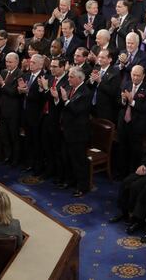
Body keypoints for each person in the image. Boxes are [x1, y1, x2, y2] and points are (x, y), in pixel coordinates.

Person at [58, 67, 92, 197]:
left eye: (71, 77)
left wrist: (66, 100)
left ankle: (83, 187)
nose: (68, 79)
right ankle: (71, 181)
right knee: (68, 158)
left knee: (79, 161)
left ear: (79, 78)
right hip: (67, 130)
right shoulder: (71, 88)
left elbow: (77, 110)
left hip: (78, 134)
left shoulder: (85, 92)